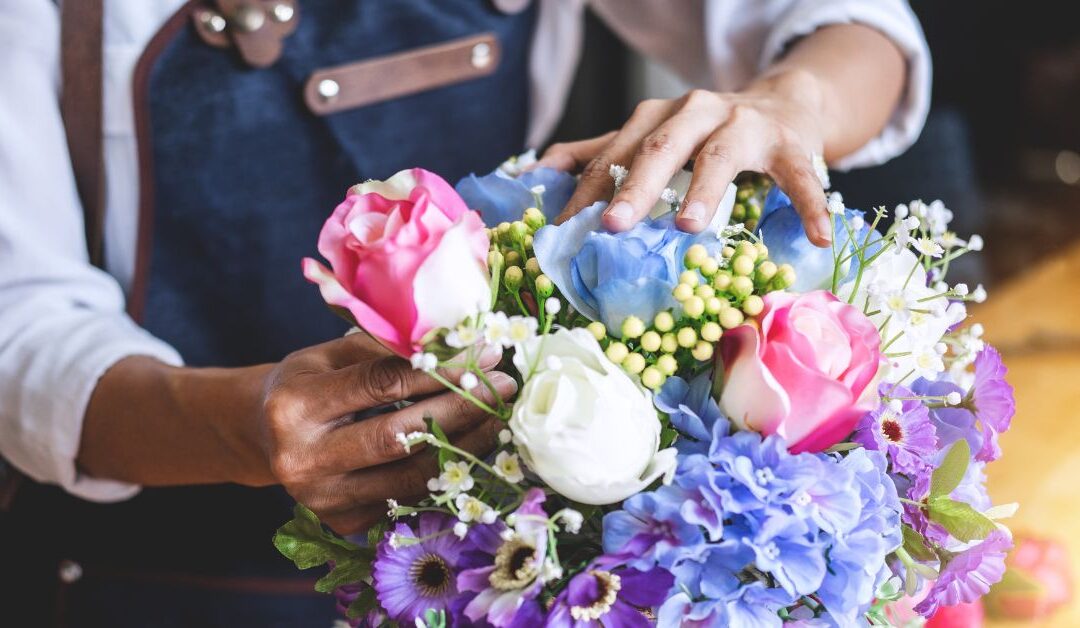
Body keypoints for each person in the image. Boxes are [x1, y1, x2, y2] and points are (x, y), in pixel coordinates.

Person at [0, 0, 929, 624]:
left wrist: (785, 101)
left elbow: (860, 29)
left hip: (497, 570)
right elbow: (20, 324)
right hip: (153, 580)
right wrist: (246, 429)